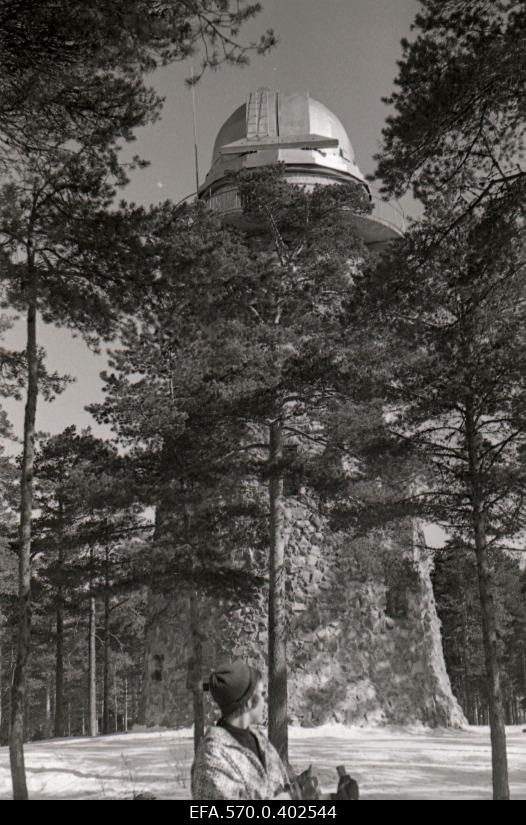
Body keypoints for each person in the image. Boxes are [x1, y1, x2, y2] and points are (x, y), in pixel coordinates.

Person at [191, 659, 319, 800]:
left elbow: (274, 790)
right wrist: (292, 796)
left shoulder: (258, 739)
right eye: (263, 693)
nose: (267, 699)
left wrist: (326, 796)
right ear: (250, 702)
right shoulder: (212, 756)